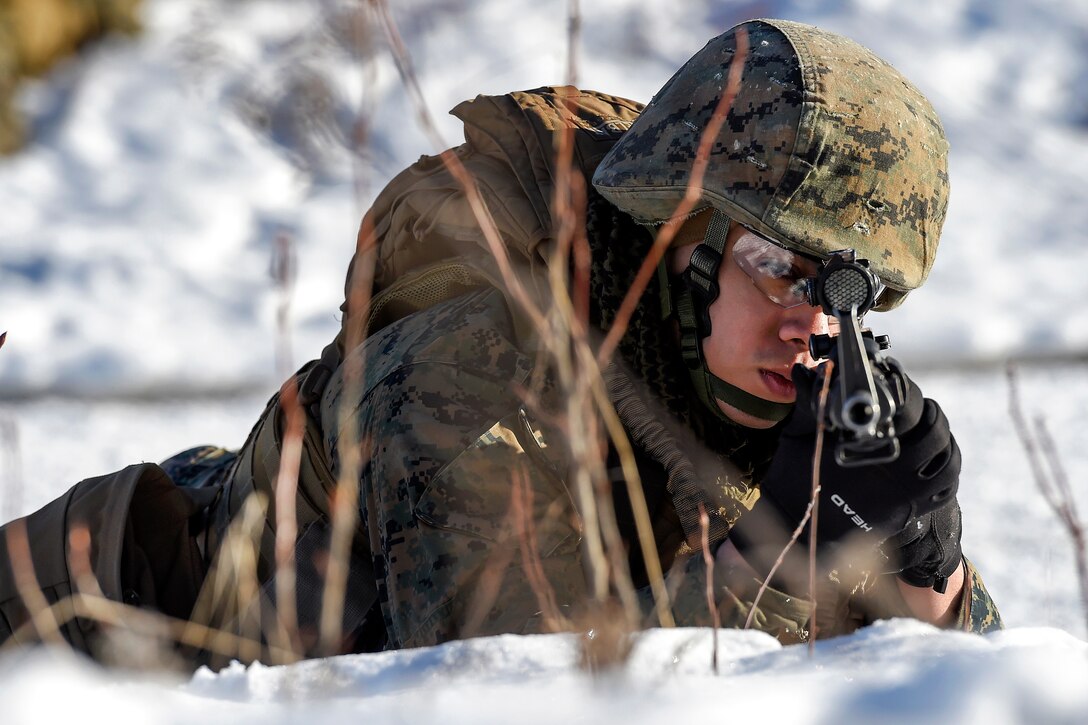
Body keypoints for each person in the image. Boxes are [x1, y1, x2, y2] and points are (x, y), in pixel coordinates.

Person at [0, 18, 1001, 665]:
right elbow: (514, 685)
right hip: (82, 632)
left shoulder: (757, 390)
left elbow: (960, 692)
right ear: (676, 241)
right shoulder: (469, 367)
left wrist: (928, 579)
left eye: (848, 291)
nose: (811, 323)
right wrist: (781, 571)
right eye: (774, 264)